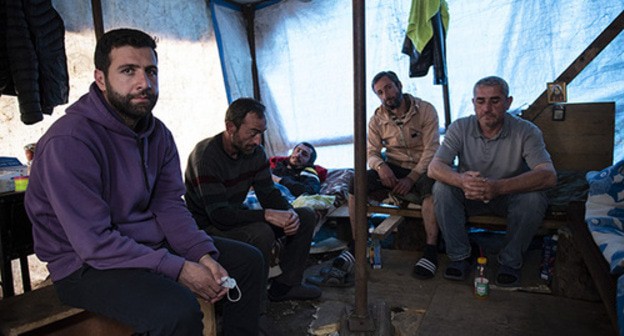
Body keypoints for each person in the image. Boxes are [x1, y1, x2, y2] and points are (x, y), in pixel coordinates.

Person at [24, 28, 266, 336]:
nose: (144, 83)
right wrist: (179, 268)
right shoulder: (69, 141)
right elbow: (94, 243)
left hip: (145, 244)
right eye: (128, 71)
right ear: (101, 79)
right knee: (176, 311)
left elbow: (168, 205)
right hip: (84, 264)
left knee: (247, 261)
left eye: (151, 71)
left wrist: (201, 254)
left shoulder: (159, 134)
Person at [307, 70, 441, 287]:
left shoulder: (425, 110)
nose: (386, 95)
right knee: (355, 184)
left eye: (388, 87)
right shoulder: (377, 119)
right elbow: (371, 151)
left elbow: (432, 150)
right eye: (380, 92)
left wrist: (413, 178)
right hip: (394, 165)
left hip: (423, 167)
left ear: (399, 85)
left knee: (433, 191)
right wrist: (381, 167)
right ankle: (357, 245)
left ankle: (431, 250)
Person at [184, 97, 321, 303]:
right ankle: (255, 310)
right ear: (231, 127)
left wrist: (288, 213)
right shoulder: (206, 157)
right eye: (252, 133)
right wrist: (267, 215)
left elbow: (268, 193)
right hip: (209, 227)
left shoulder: (255, 153)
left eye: (261, 134)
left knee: (305, 216)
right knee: (262, 232)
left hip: (234, 218)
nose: (258, 141)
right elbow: (219, 216)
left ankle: (285, 286)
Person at [428, 76, 557, 287]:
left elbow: (548, 175)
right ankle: (460, 256)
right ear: (473, 103)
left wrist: (498, 187)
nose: (487, 108)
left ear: (508, 102)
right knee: (441, 188)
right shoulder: (460, 127)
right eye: (481, 101)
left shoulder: (526, 131)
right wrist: (461, 181)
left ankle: (510, 261)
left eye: (495, 101)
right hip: (470, 195)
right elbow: (435, 167)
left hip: (507, 196)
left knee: (534, 199)